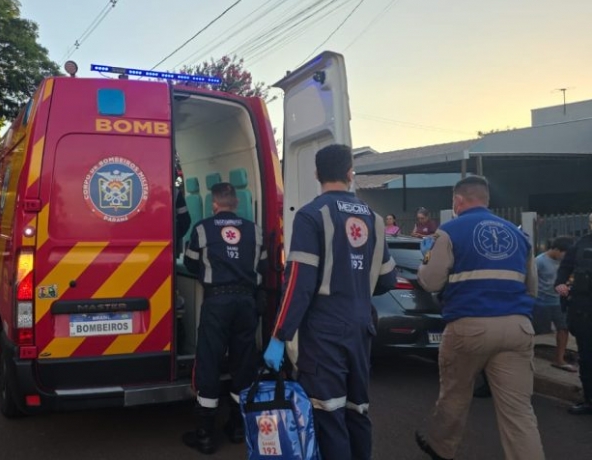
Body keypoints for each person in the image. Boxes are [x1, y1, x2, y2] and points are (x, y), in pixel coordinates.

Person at [262, 144, 397, 460]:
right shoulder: (375, 220)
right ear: (351, 174)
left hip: (325, 333)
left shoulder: (312, 216)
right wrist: (356, 285)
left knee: (329, 413)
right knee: (357, 410)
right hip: (362, 327)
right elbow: (388, 279)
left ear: (316, 174)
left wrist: (279, 336)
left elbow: (299, 284)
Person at [415, 175, 544, 460]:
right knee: (519, 413)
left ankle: (440, 448)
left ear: (458, 201)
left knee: (455, 396)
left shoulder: (448, 232)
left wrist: (424, 263)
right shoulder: (519, 234)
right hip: (518, 327)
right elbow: (532, 288)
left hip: (469, 326)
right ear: (486, 199)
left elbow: (432, 281)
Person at [182, 182, 267, 455]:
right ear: (237, 203)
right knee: (244, 361)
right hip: (246, 302)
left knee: (209, 361)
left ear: (214, 204)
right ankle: (237, 427)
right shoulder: (255, 232)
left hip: (217, 301)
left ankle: (206, 434)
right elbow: (262, 266)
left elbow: (192, 263)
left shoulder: (202, 229)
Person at [555, 213, 592, 415]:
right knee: (586, 359)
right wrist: (560, 284)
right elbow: (564, 268)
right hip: (583, 309)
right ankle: (589, 400)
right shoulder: (580, 244)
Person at [534, 236, 575, 372]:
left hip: (559, 302)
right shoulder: (539, 262)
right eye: (564, 253)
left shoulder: (565, 263)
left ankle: (559, 359)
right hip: (540, 303)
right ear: (556, 250)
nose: (565, 256)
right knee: (535, 331)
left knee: (563, 329)